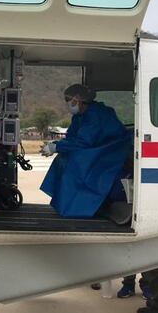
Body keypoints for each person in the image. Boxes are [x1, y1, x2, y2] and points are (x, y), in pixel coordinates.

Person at [39, 84, 130, 218]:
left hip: (112, 150)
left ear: (78, 100)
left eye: (69, 101)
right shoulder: (80, 116)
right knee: (63, 158)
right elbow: (72, 137)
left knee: (77, 162)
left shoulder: (96, 113)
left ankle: (77, 207)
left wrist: (56, 147)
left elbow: (84, 141)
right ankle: (65, 201)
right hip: (97, 148)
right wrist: (57, 145)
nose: (68, 104)